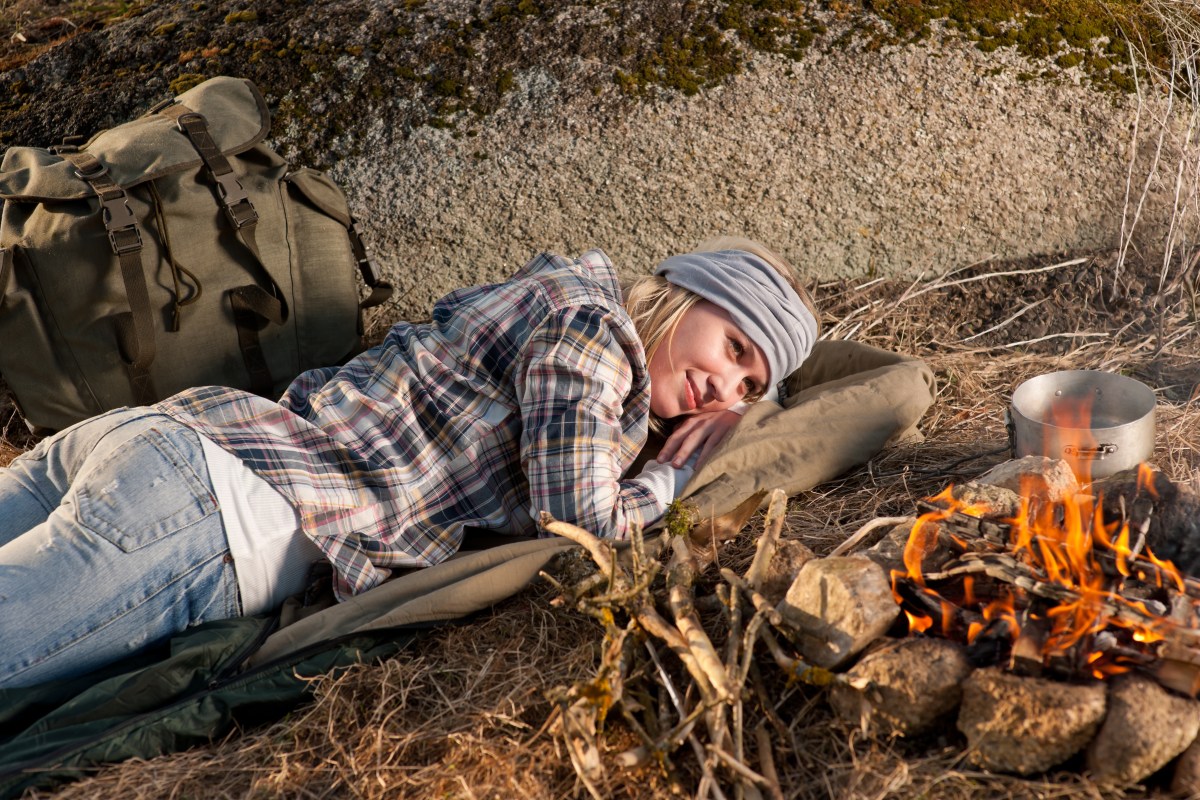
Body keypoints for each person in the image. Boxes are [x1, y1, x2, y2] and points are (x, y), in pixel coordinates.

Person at [0, 236, 819, 688]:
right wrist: (672, 479)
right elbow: (583, 520)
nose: (723, 387)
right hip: (215, 516)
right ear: (684, 292)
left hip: (157, 445)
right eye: (733, 345)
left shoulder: (560, 291)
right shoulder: (595, 335)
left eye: (747, 386)